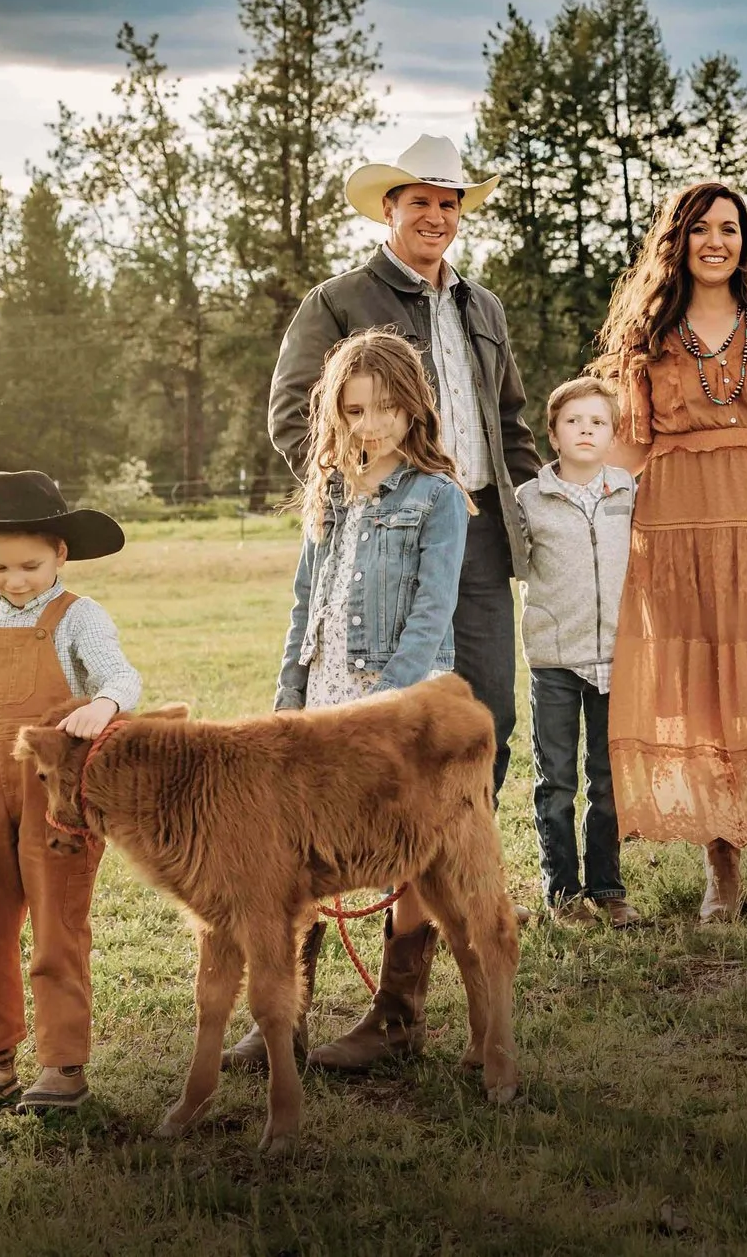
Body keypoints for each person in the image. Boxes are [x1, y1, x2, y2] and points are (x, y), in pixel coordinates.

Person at [267, 132, 541, 794]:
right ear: (389, 207)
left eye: (449, 204)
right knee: (392, 709)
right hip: (384, 534)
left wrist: (534, 511)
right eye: (420, 201)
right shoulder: (338, 302)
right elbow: (292, 417)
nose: (436, 217)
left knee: (487, 713)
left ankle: (459, 869)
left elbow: (509, 423)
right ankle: (400, 870)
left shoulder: (483, 307)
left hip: (477, 533)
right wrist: (366, 490)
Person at [595, 180, 747, 923]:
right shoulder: (648, 338)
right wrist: (573, 459)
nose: (715, 241)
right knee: (702, 699)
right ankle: (722, 865)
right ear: (677, 240)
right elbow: (631, 449)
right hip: (676, 537)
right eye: (700, 228)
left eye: (729, 228)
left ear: (746, 241)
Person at [239, 327, 468, 1073]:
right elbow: (305, 606)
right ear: (335, 411)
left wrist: (386, 706)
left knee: (406, 851)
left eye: (386, 408)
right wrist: (290, 701)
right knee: (301, 848)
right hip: (324, 691)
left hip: (399, 700)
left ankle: (397, 1015)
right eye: (355, 408)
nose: (370, 424)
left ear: (414, 409)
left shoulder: (437, 498)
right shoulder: (331, 492)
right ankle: (286, 1014)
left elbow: (434, 612)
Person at [0, 471, 139, 1113]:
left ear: (61, 554)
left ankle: (62, 1063)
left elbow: (122, 673)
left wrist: (105, 702)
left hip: (54, 795)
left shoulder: (79, 618)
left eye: (30, 566)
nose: (15, 581)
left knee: (57, 925)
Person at [515, 375, 639, 929]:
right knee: (557, 781)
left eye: (598, 422)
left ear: (613, 434)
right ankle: (563, 894)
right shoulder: (529, 499)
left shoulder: (630, 491)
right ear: (554, 433)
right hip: (555, 659)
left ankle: (609, 888)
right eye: (574, 422)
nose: (586, 430)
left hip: (618, 657)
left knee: (608, 780)